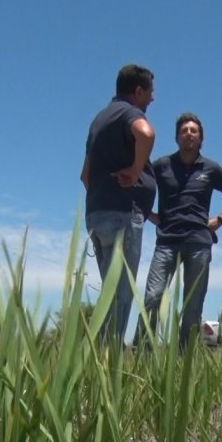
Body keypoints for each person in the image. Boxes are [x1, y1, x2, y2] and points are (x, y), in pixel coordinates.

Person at [134, 113, 222, 349]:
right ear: (177, 137)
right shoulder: (162, 165)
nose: (189, 134)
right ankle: (142, 355)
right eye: (184, 131)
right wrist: (149, 214)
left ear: (201, 138)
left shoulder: (211, 168)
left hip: (199, 242)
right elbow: (139, 186)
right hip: (167, 241)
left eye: (194, 131)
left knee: (193, 306)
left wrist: (220, 220)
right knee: (153, 298)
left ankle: (186, 360)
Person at [80, 64, 157, 343]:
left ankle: (96, 357)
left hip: (97, 214)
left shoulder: (99, 119)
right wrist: (136, 171)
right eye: (150, 92)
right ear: (138, 91)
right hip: (123, 214)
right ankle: (107, 362)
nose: (152, 99)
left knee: (110, 293)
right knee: (123, 295)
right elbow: (146, 133)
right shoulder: (129, 112)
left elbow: (85, 176)